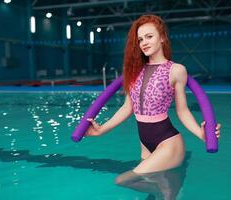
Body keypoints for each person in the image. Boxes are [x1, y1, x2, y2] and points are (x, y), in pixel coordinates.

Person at [85, 15, 220, 175]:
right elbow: (128, 107)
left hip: (168, 142)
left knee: (124, 179)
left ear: (162, 37)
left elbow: (182, 111)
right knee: (160, 190)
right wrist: (101, 130)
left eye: (149, 36)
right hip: (145, 143)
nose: (144, 43)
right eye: (141, 39)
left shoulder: (176, 70)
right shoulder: (135, 71)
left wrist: (201, 134)